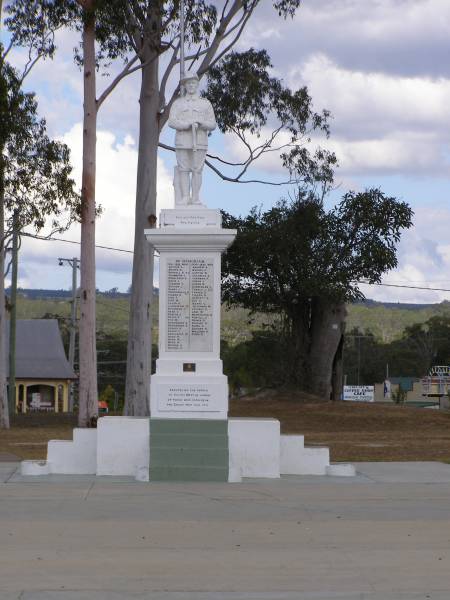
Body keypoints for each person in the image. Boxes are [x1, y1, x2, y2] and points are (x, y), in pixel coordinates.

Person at [168, 70, 216, 206]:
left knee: (197, 169)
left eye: (193, 82)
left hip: (200, 141)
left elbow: (213, 124)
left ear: (197, 84)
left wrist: (202, 124)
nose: (191, 85)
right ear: (185, 85)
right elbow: (171, 121)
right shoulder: (178, 104)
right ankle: (185, 197)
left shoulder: (205, 104)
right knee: (183, 169)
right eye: (188, 83)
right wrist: (185, 125)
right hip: (182, 140)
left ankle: (195, 198)